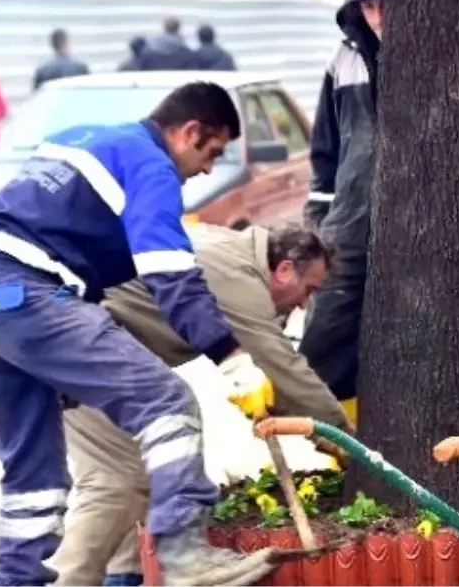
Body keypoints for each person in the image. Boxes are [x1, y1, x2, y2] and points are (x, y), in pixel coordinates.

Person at [0, 81, 287, 587]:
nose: (210, 168)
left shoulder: (79, 138)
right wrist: (231, 358)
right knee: (167, 402)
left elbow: (35, 221)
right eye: (211, 152)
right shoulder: (149, 163)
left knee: (34, 483)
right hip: (24, 290)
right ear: (189, 131)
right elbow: (170, 273)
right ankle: (185, 553)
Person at [53, 223, 347, 587]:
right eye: (309, 290)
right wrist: (342, 438)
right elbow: (280, 365)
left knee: (136, 479)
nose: (304, 303)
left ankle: (121, 580)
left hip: (91, 343)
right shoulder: (238, 277)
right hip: (79, 343)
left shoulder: (228, 251)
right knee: (113, 482)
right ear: (285, 269)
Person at [298, 0, 384, 425]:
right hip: (350, 221)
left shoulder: (437, 56)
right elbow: (325, 153)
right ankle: (334, 439)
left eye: (384, 4)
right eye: (367, 6)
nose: (376, 17)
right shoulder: (344, 61)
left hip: (417, 231)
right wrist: (317, 227)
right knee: (324, 335)